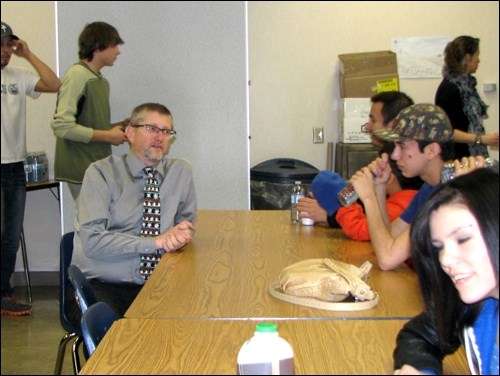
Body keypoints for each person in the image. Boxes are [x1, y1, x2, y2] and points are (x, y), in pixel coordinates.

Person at [69, 102, 197, 321]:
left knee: (195, 324)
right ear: (129, 133)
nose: (160, 137)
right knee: (119, 341)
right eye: (151, 129)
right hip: (105, 283)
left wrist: (181, 235)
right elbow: (92, 242)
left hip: (160, 281)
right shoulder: (101, 173)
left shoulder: (180, 171)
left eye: (166, 131)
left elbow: (185, 222)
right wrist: (156, 242)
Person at [351, 103, 489, 271]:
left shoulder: (447, 193)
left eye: (402, 146)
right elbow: (389, 236)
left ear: (431, 150)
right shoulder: (429, 188)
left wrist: (368, 198)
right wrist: (379, 187)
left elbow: (387, 259)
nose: (394, 155)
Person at [393, 168, 499, 375]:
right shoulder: (478, 305)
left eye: (463, 239)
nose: (445, 260)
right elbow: (418, 337)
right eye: (439, 247)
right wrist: (422, 370)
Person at [298, 91, 421, 239]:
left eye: (373, 121)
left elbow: (370, 229)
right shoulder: (389, 160)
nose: (368, 127)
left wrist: (332, 214)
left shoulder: (407, 184)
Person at [1, 21, 61, 316]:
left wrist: (29, 54)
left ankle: (3, 294)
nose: (6, 51)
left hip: (14, 166)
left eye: (9, 45)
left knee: (10, 236)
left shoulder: (18, 76)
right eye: (1, 45)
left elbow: (54, 84)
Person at [51, 21, 128, 200]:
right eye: (114, 44)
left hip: (97, 166)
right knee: (92, 224)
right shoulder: (78, 75)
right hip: (82, 168)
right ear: (97, 46)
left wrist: (119, 126)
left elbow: (89, 125)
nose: (118, 51)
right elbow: (62, 126)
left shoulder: (100, 81)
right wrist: (109, 136)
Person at [304, 144, 423, 241]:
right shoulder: (400, 198)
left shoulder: (401, 205)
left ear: (389, 177)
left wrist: (343, 198)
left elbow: (362, 230)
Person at [435, 35, 499, 159]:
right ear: (468, 58)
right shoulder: (448, 89)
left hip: (472, 155)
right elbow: (447, 131)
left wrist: (489, 139)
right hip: (458, 158)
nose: (479, 60)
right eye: (477, 55)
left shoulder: (468, 86)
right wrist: (481, 139)